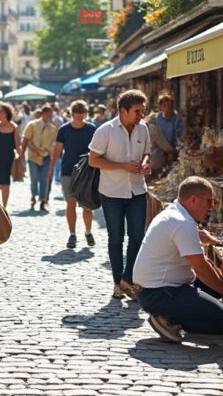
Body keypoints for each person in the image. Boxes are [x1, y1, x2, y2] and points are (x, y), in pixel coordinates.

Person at [133, 176, 223, 340]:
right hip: (158, 293)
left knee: (216, 284)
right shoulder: (182, 222)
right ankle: (169, 319)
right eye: (209, 201)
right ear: (194, 200)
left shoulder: (174, 213)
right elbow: (201, 269)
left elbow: (203, 264)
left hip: (156, 288)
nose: (211, 206)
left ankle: (174, 314)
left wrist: (198, 236)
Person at [88, 89, 152, 300]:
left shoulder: (143, 129)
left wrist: (144, 165)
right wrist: (122, 166)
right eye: (137, 111)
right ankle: (118, 283)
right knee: (115, 238)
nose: (141, 115)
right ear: (123, 111)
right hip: (112, 192)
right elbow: (93, 160)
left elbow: (146, 155)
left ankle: (128, 278)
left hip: (137, 190)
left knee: (137, 236)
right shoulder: (105, 131)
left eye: (142, 111)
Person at [47, 100, 98, 249]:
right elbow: (57, 150)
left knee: (87, 204)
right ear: (72, 113)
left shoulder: (91, 129)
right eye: (77, 113)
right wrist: (51, 168)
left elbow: (97, 149)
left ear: (85, 114)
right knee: (70, 202)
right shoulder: (64, 130)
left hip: (87, 171)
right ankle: (72, 234)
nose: (79, 116)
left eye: (82, 113)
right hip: (68, 169)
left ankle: (88, 232)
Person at [21, 105, 57, 211]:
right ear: (43, 113)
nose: (49, 116)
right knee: (34, 179)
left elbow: (54, 144)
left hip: (46, 157)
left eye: (51, 114)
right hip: (33, 157)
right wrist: (23, 155)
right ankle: (33, 196)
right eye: (48, 114)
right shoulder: (32, 125)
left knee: (44, 180)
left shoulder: (53, 129)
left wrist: (49, 153)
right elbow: (26, 140)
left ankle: (43, 200)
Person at [0, 102, 21, 209]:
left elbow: (17, 145)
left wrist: (20, 160)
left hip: (9, 158)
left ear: (7, 113)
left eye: (1, 112)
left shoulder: (14, 127)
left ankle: (4, 208)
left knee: (6, 182)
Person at [149, 93, 183, 176]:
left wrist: (173, 151)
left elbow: (179, 137)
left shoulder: (177, 119)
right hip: (158, 151)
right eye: (165, 106)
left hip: (173, 151)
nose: (168, 109)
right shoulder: (156, 119)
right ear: (160, 107)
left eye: (170, 106)